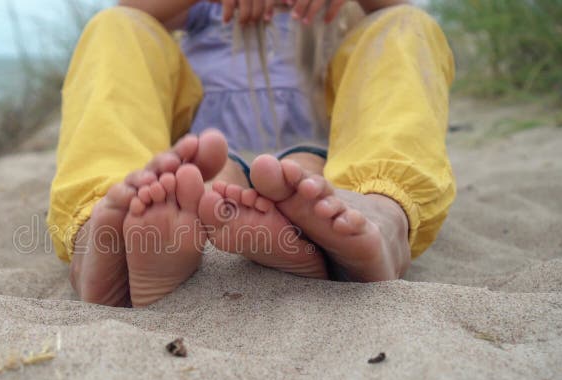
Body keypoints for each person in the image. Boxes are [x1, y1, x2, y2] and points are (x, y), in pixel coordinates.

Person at [46, 0, 456, 307]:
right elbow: (133, 9)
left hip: (331, 166)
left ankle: (381, 213)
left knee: (407, 25)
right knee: (114, 27)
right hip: (201, 148)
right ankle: (101, 234)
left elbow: (394, 10)